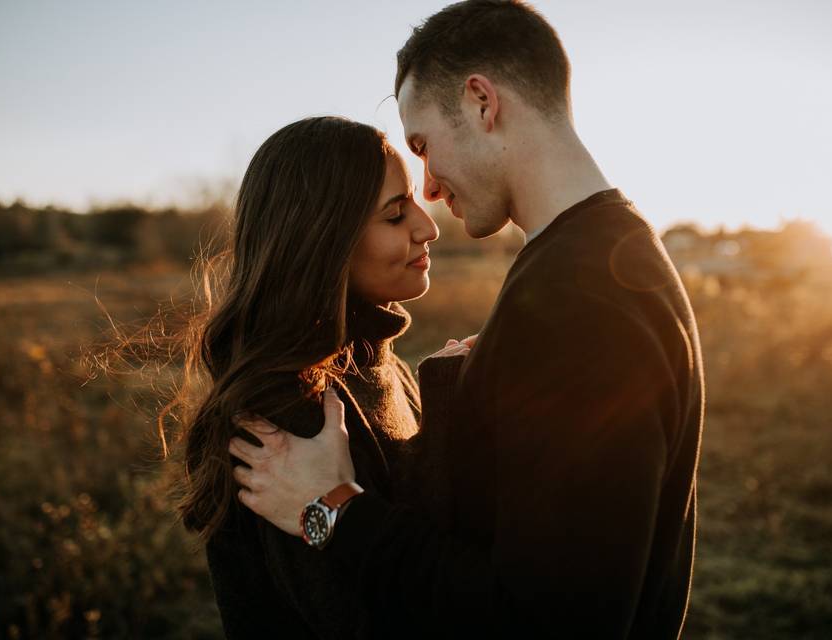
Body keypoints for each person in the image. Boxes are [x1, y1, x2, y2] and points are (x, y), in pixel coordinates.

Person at [229, 0, 705, 637]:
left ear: (482, 101)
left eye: (423, 144)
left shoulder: (576, 299)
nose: (428, 190)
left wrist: (333, 513)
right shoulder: (610, 254)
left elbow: (545, 624)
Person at [175, 115, 469, 638]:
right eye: (396, 215)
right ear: (324, 239)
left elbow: (429, 542)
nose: (428, 227)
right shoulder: (285, 412)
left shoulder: (385, 368)